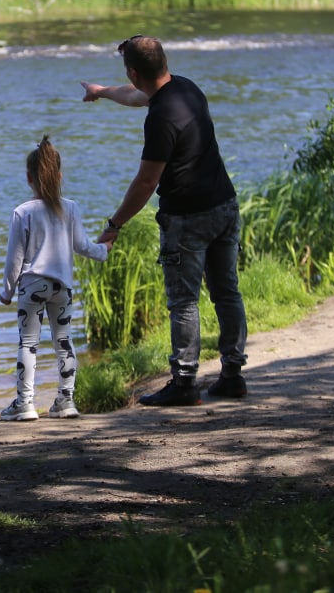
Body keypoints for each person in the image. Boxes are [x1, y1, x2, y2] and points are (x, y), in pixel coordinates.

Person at [81, 36, 247, 405]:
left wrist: (114, 224)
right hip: (225, 205)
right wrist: (101, 91)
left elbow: (146, 182)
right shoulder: (185, 88)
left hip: (188, 218)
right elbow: (136, 95)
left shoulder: (159, 119)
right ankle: (233, 376)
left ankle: (185, 383)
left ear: (134, 72)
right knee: (226, 292)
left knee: (184, 301)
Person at [0, 136, 113, 421]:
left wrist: (7, 291)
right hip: (62, 287)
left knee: (28, 343)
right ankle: (66, 400)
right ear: (59, 176)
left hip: (32, 285)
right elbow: (82, 246)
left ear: (28, 178)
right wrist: (104, 250)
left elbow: (15, 258)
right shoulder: (70, 208)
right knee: (64, 341)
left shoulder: (22, 212)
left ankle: (24, 404)